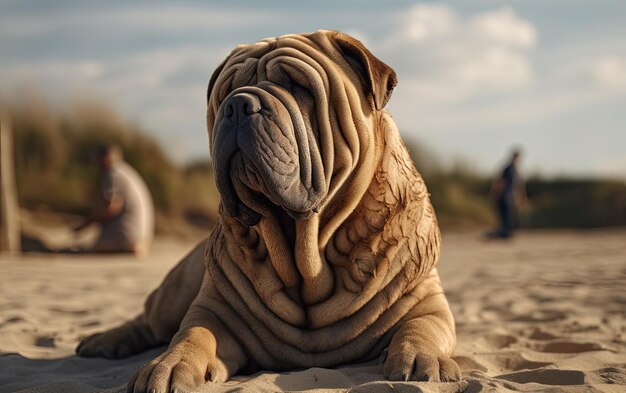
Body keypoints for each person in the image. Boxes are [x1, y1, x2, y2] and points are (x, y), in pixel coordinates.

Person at [74, 145, 155, 254]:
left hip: (128, 235)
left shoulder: (112, 173)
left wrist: (86, 224)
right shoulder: (125, 170)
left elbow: (112, 208)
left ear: (107, 157)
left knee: (80, 250)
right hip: (143, 235)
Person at [487, 148, 528, 239]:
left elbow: (518, 185)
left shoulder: (515, 170)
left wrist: (520, 197)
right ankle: (503, 232)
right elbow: (500, 182)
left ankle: (505, 231)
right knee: (504, 214)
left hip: (508, 196)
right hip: (503, 196)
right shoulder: (508, 169)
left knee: (507, 215)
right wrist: (495, 194)